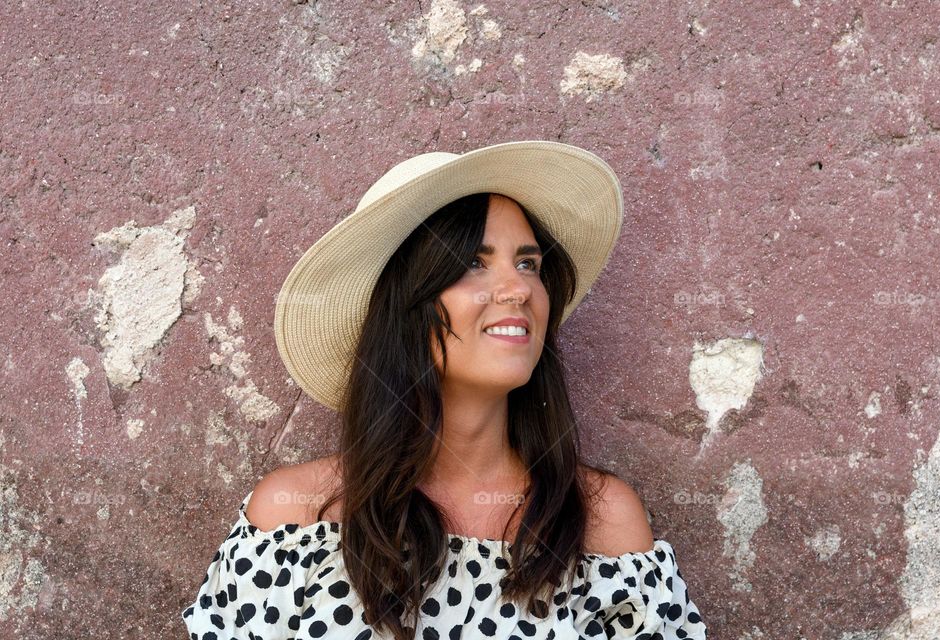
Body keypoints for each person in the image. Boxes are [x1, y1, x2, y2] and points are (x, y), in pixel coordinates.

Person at [181, 140, 707, 639]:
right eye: (474, 263)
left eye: (529, 264)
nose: (519, 288)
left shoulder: (600, 523)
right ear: (405, 307)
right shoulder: (292, 525)